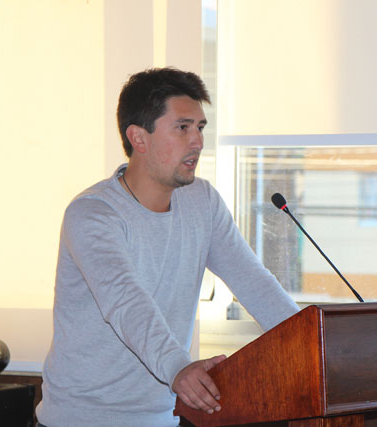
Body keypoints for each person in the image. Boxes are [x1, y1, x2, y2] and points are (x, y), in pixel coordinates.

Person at [35, 68, 300, 427]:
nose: (198, 141)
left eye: (200, 128)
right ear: (138, 138)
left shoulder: (202, 201)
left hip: (161, 418)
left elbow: (254, 282)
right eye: (183, 127)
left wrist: (311, 344)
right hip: (80, 419)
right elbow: (125, 301)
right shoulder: (93, 213)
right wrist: (178, 367)